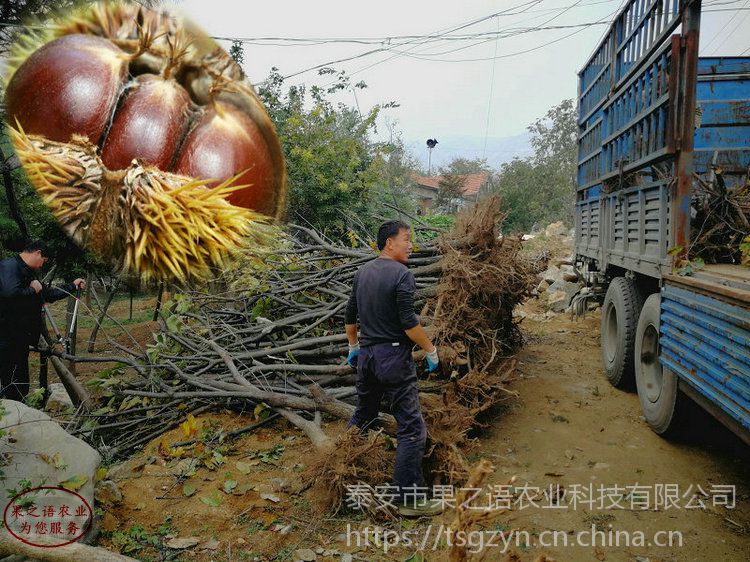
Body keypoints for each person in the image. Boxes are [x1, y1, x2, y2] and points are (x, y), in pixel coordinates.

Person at [344, 220, 443, 517]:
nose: (411, 245)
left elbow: (350, 314)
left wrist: (354, 347)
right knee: (412, 427)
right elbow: (408, 322)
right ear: (390, 243)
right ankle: (409, 500)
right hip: (393, 358)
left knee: (364, 413)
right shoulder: (401, 274)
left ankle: (339, 464)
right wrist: (430, 349)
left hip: (369, 359)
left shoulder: (363, 273)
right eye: (406, 239)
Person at [0, 240, 85, 402]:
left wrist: (72, 286)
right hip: (6, 337)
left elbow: (46, 294)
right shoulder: (9, 267)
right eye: (43, 261)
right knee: (11, 383)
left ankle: (17, 415)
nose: (41, 266)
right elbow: (9, 295)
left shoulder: (28, 272)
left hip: (19, 338)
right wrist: (33, 290)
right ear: (37, 253)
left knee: (20, 383)